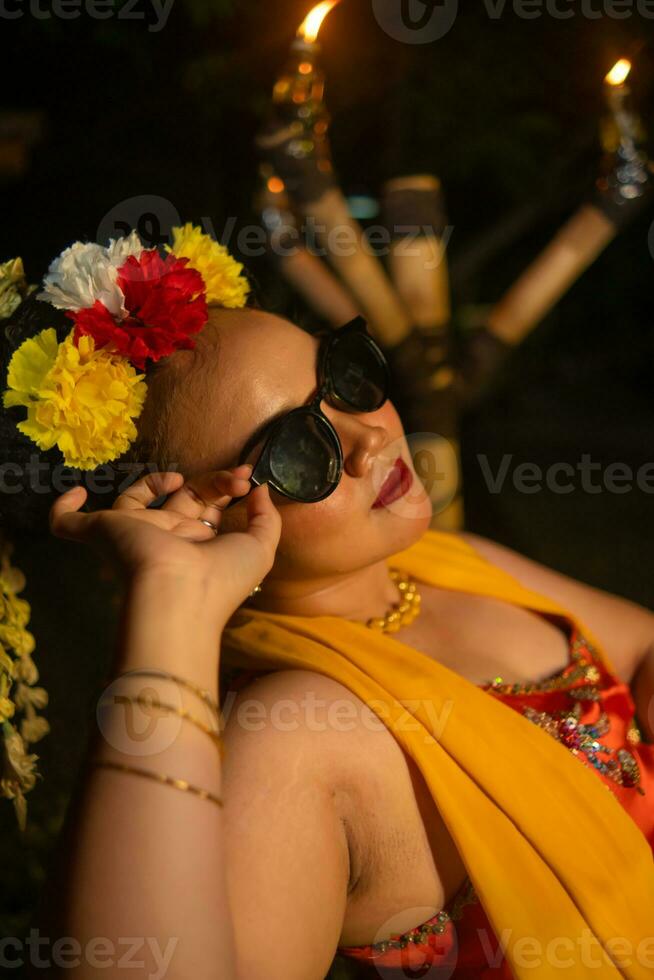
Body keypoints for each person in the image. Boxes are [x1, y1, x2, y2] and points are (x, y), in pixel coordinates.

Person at [3, 232, 653, 978]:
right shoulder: (293, 733)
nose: (369, 439)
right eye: (296, 451)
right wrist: (171, 600)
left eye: (343, 380)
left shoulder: (441, 564)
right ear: (202, 515)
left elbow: (638, 647)